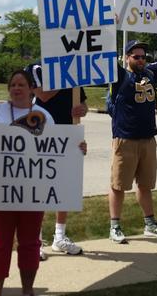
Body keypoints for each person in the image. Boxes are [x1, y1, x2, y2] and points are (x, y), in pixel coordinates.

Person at [0, 71, 87, 296]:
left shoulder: (43, 114)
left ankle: (28, 289)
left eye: (22, 84)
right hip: (0, 191)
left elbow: (57, 149)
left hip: (33, 193)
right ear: (9, 88)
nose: (17, 88)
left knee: (29, 242)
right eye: (13, 84)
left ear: (31, 89)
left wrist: (77, 148)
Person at [107, 20, 157, 244]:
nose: (141, 59)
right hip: (125, 138)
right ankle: (115, 226)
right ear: (127, 57)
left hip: (148, 139)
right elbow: (105, 55)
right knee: (118, 185)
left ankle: (150, 223)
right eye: (136, 56)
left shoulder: (150, 72)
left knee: (146, 185)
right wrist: (113, 26)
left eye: (143, 56)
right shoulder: (119, 75)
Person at [30, 66, 88, 256]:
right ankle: (35, 240)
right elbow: (43, 95)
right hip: (41, 134)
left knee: (63, 188)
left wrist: (82, 109)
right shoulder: (36, 68)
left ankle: (59, 236)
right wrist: (65, 76)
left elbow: (83, 104)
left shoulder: (74, 72)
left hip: (67, 135)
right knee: (40, 188)